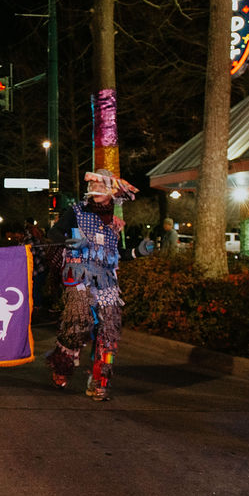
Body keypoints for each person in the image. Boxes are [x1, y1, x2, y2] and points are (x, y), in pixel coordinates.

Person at [45, 169, 147, 401]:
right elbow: (54, 232)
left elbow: (117, 253)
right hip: (78, 274)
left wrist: (136, 251)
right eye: (95, 186)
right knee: (78, 322)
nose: (97, 190)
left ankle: (100, 381)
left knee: (109, 329)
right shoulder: (76, 211)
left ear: (112, 191)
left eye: (103, 186)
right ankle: (61, 367)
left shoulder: (116, 222)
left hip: (106, 278)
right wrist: (68, 241)